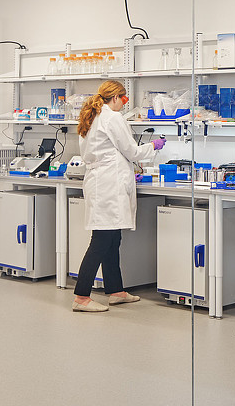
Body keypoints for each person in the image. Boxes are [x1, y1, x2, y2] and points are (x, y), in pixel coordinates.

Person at [72, 80, 166, 312]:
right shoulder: (112, 118)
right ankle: (81, 297)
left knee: (113, 240)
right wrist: (154, 145)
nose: (124, 105)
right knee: (102, 241)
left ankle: (116, 291)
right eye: (124, 99)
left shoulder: (93, 116)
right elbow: (132, 151)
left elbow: (109, 153)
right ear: (115, 98)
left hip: (101, 182)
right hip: (108, 186)